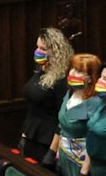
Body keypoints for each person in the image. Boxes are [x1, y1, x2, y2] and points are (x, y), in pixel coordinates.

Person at [18, 27, 73, 166]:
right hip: (31, 135)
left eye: (43, 48)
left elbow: (62, 118)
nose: (38, 51)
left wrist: (52, 152)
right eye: (37, 47)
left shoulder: (61, 80)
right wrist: (24, 135)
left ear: (55, 51)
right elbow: (32, 106)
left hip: (47, 141)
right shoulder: (40, 69)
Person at [50, 51, 101, 176]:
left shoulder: (94, 103)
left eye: (79, 71)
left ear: (90, 78)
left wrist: (84, 173)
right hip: (64, 158)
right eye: (72, 68)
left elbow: (95, 141)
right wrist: (52, 153)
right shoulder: (69, 94)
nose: (72, 73)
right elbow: (62, 125)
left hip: (82, 163)